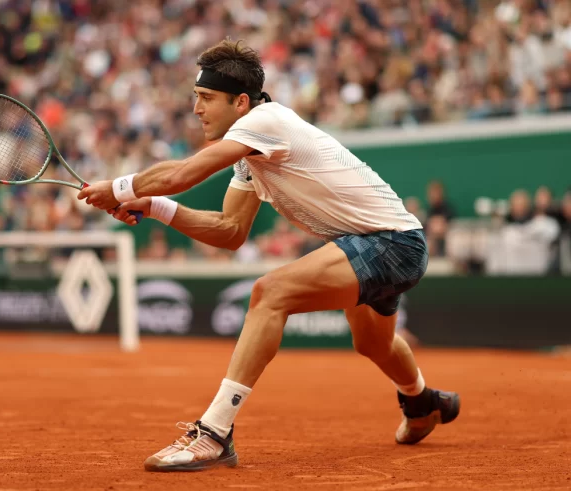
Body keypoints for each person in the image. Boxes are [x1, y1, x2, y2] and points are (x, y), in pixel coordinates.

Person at [79, 39, 460, 472]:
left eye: (205, 99)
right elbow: (229, 231)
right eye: (195, 99)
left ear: (240, 102)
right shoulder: (250, 153)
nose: (196, 109)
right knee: (372, 343)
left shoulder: (266, 120)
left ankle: (215, 432)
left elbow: (186, 172)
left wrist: (122, 187)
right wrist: (153, 207)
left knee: (269, 292)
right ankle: (422, 401)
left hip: (393, 242)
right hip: (378, 244)